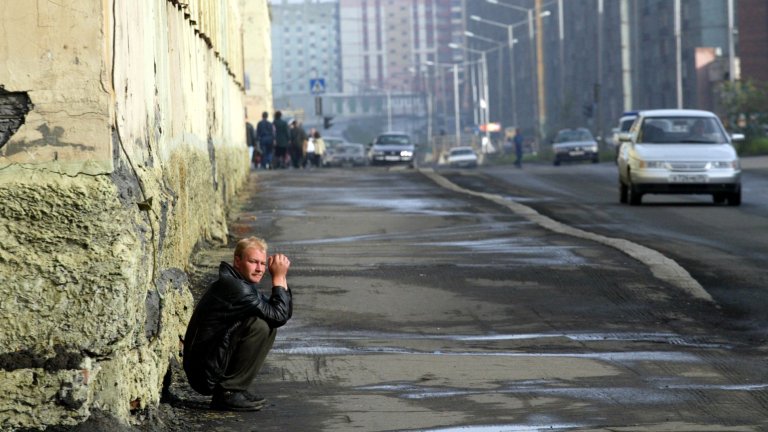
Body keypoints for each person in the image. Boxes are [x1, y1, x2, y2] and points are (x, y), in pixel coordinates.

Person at [183, 237, 293, 411]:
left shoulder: (239, 283)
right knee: (260, 325)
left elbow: (279, 314)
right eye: (253, 262)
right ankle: (228, 392)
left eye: (263, 264)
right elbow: (278, 315)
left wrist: (281, 280)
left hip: (209, 364)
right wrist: (278, 278)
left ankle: (235, 388)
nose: (259, 269)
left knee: (266, 323)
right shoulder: (236, 288)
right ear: (237, 261)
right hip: (203, 373)